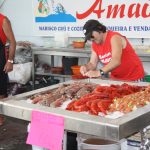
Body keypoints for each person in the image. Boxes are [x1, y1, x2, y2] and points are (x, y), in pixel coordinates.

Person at [80, 19, 144, 81]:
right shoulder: (95, 44)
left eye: (91, 36)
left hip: (133, 77)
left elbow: (116, 61)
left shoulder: (114, 37)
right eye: (89, 38)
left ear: (99, 28)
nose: (91, 39)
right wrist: (86, 67)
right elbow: (92, 64)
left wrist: (99, 73)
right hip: (116, 79)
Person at [0, 13, 16, 125]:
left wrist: (10, 61)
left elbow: (12, 42)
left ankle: (0, 118)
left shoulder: (3, 20)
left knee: (1, 92)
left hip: (0, 61)